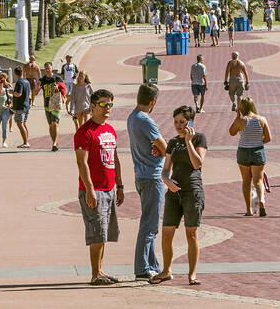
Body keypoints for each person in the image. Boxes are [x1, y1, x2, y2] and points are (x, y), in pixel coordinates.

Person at [149, 106, 208, 286]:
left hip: (193, 191)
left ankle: (192, 274)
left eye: (182, 122)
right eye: (176, 122)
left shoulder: (199, 138)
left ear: (190, 122)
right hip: (174, 193)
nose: (178, 125)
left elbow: (197, 163)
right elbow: (165, 170)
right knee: (167, 233)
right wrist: (167, 181)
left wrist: (189, 141)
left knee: (191, 233)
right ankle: (166, 271)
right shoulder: (173, 142)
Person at [74, 89, 124, 285]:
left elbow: (115, 158)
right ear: (93, 105)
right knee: (96, 231)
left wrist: (119, 185)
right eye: (103, 104)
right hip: (94, 190)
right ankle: (95, 274)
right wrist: (89, 189)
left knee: (104, 233)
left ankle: (101, 271)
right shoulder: (84, 131)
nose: (107, 108)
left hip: (110, 188)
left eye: (110, 104)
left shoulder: (110, 130)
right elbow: (81, 163)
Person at [127, 83, 168, 280]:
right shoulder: (145, 120)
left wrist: (156, 148)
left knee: (149, 222)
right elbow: (164, 147)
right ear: (152, 101)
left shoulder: (132, 117)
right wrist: (161, 149)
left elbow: (153, 145)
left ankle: (152, 264)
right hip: (152, 176)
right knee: (150, 225)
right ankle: (142, 267)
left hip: (141, 175)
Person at [229, 97, 272, 216]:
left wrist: (237, 119)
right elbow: (268, 138)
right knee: (258, 180)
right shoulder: (262, 119)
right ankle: (261, 200)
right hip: (258, 151)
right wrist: (258, 141)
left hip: (243, 152)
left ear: (241, 108)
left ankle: (249, 210)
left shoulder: (241, 120)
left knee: (246, 181)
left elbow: (231, 132)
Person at [34, 62, 67, 152]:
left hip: (56, 103)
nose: (47, 70)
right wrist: (36, 88)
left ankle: (54, 143)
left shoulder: (57, 78)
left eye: (49, 68)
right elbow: (35, 93)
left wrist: (59, 89)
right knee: (50, 125)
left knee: (55, 123)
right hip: (47, 103)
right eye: (46, 68)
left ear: (52, 68)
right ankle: (54, 142)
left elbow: (64, 89)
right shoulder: (42, 80)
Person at [12, 67, 31, 148]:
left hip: (20, 106)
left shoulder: (19, 82)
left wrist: (11, 92)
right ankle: (26, 141)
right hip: (26, 105)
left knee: (20, 124)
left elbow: (18, 94)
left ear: (15, 74)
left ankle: (25, 142)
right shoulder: (26, 81)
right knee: (24, 124)